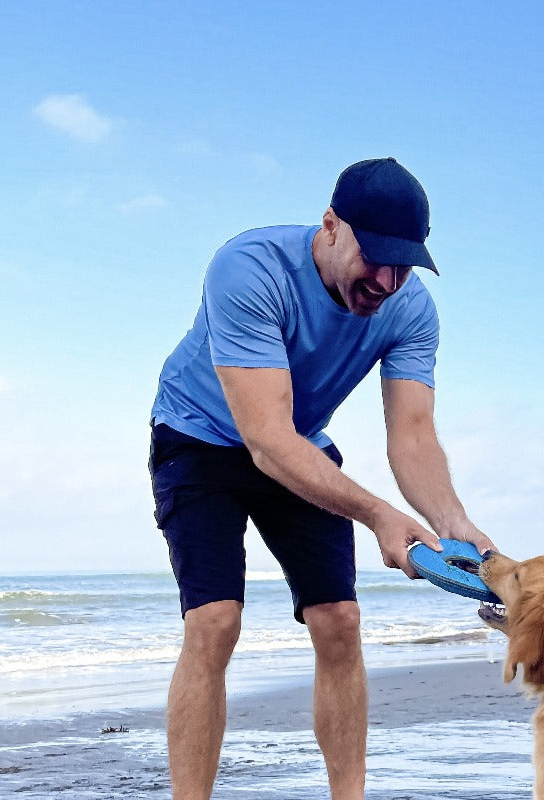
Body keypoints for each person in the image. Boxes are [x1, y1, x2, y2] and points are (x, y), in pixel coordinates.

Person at [148, 157, 495, 800]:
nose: (387, 281)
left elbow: (412, 436)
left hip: (298, 441)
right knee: (216, 621)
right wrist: (381, 516)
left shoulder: (411, 310)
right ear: (331, 226)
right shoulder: (248, 269)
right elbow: (266, 440)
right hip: (199, 438)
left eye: (405, 264)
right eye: (376, 258)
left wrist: (455, 524)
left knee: (339, 620)